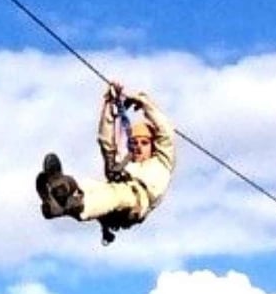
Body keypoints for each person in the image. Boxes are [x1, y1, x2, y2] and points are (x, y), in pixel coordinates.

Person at [36, 82, 176, 241]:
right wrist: (110, 103)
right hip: (114, 203)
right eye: (134, 143)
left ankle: (74, 204)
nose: (138, 146)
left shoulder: (162, 162)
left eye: (144, 143)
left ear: (153, 145)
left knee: (115, 194)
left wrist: (145, 104)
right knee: (89, 185)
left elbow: (166, 132)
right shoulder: (127, 163)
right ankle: (58, 190)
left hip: (135, 201)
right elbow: (106, 141)